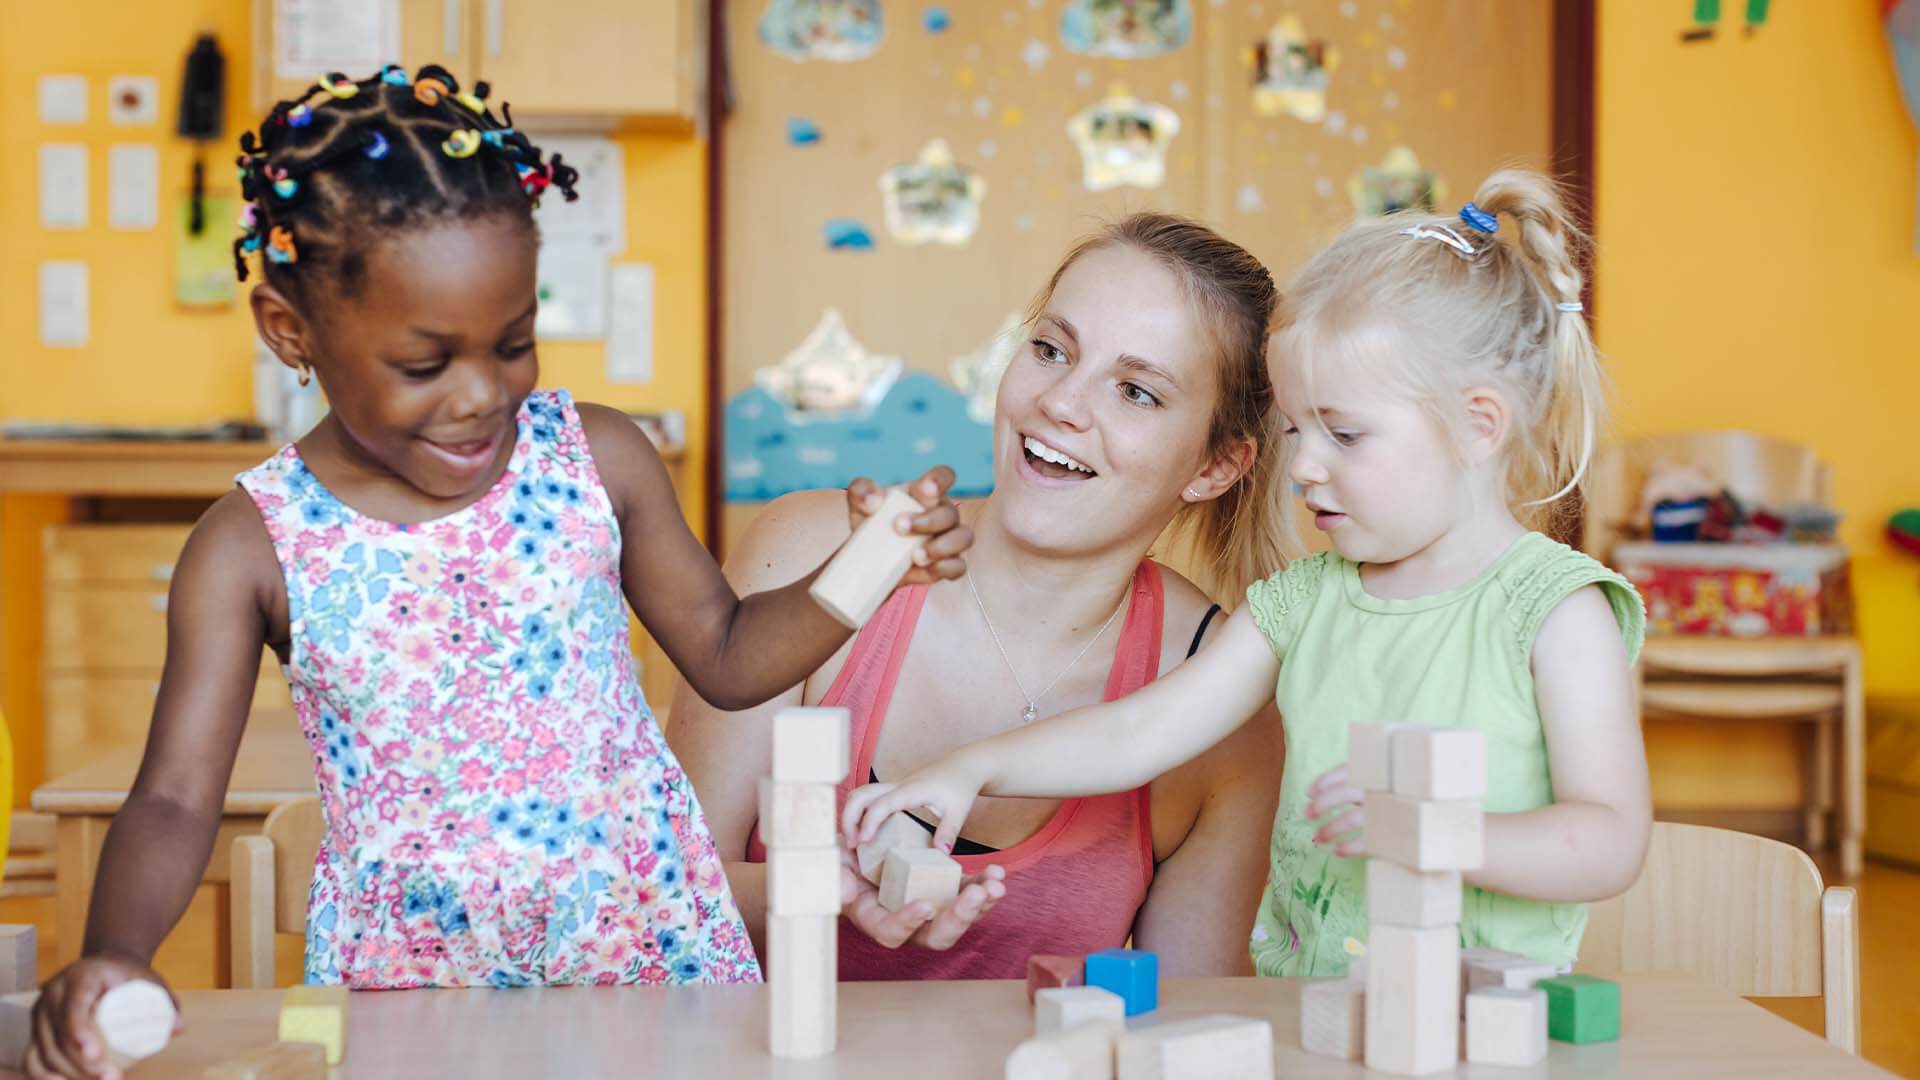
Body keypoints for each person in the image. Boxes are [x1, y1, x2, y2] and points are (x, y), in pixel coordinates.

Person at [24, 64, 971, 1080]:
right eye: (425, 364)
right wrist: (114, 958)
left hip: (645, 949)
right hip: (414, 991)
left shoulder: (594, 461)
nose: (481, 394)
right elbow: (171, 801)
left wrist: (871, 567)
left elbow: (732, 656)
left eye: (513, 343)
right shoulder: (250, 546)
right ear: (289, 330)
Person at [844, 170, 1651, 979]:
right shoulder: (1301, 603)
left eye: (1343, 433)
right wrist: (973, 767)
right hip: (1315, 1022)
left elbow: (1610, 841)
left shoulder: (1556, 611)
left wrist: (1436, 834)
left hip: (1492, 1026)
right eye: (1297, 429)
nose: (1301, 466)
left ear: (1479, 427)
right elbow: (1139, 731)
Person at [673, 213, 1288, 979]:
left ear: (1216, 466)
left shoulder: (1218, 707)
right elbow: (659, 906)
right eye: (1050, 349)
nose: (1061, 402)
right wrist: (820, 891)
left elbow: (1188, 1027)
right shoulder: (815, 553)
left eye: (1135, 391)